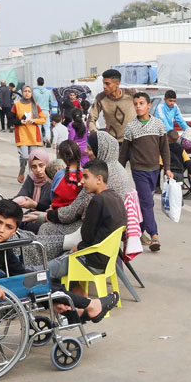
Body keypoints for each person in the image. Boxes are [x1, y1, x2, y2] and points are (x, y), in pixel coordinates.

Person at [0, 199, 119, 323]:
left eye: (9, 227)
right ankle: (90, 306)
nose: (1, 230)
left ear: (15, 230)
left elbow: (18, 272)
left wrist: (50, 298)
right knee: (41, 282)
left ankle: (78, 308)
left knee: (41, 280)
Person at [46, 160, 127, 279]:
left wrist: (79, 247)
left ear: (99, 179)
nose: (81, 181)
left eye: (85, 177)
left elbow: (86, 235)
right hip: (106, 259)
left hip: (90, 261)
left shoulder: (98, 200)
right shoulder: (116, 197)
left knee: (42, 272)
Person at [119, 92, 172, 251]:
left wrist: (167, 168)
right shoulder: (131, 127)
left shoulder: (158, 124)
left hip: (155, 170)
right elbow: (124, 152)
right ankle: (154, 235)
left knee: (144, 202)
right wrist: (119, 171)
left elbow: (165, 149)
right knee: (148, 203)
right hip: (139, 170)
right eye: (135, 104)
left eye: (141, 103)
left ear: (149, 105)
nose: (138, 106)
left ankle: (135, 233)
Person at [87, 69, 136, 142]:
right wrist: (95, 135)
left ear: (117, 83)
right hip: (113, 143)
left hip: (134, 142)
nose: (104, 86)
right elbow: (91, 119)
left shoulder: (132, 93)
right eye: (103, 83)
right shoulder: (100, 98)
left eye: (107, 84)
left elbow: (145, 110)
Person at [13, 85, 46, 183]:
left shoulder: (35, 105)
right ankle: (21, 171)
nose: (27, 93)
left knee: (33, 160)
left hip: (33, 136)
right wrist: (20, 122)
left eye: (29, 91)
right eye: (25, 91)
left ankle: (31, 179)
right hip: (22, 134)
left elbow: (43, 119)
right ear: (22, 93)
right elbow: (11, 119)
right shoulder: (17, 104)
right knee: (24, 157)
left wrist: (34, 120)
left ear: (32, 93)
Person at [52, 140, 83, 210]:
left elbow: (52, 196)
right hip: (79, 214)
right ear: (79, 153)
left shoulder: (59, 175)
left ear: (61, 156)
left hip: (57, 213)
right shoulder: (86, 174)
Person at [33, 77, 57, 146]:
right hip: (46, 111)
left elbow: (33, 103)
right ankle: (48, 140)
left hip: (37, 111)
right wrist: (49, 109)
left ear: (37, 83)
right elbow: (51, 103)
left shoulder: (34, 92)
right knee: (47, 127)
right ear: (43, 83)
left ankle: (40, 141)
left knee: (39, 126)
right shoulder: (48, 91)